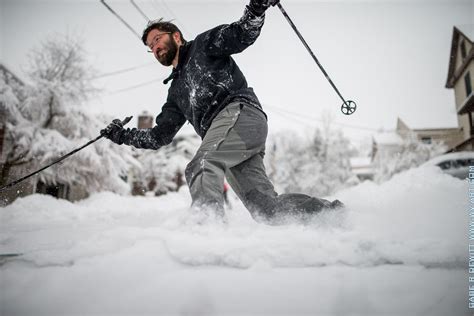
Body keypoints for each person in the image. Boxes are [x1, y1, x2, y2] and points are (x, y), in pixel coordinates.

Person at [101, 0, 343, 224]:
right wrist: (122, 135)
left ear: (175, 35)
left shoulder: (203, 46)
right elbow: (159, 137)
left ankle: (207, 228)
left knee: (202, 163)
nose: (154, 47)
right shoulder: (175, 91)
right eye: (150, 46)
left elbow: (240, 34)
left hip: (240, 115)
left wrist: (256, 9)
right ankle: (331, 216)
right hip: (233, 141)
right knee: (266, 210)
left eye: (156, 39)